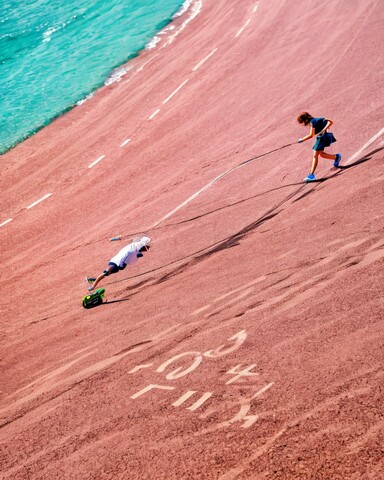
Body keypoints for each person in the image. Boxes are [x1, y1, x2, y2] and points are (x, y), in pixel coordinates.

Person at [86, 236, 151, 291]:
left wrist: (115, 239)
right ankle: (93, 286)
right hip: (116, 262)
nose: (147, 248)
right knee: (106, 273)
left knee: (106, 274)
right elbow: (128, 260)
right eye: (146, 247)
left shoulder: (135, 246)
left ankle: (94, 280)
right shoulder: (132, 251)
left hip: (119, 264)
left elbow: (126, 239)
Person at [297, 112, 342, 182]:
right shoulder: (316, 120)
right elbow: (329, 123)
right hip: (324, 137)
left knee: (315, 156)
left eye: (301, 122)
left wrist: (302, 139)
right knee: (321, 154)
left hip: (321, 138)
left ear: (305, 120)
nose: (302, 124)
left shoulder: (312, 122)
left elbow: (311, 135)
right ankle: (336, 157)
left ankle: (311, 175)